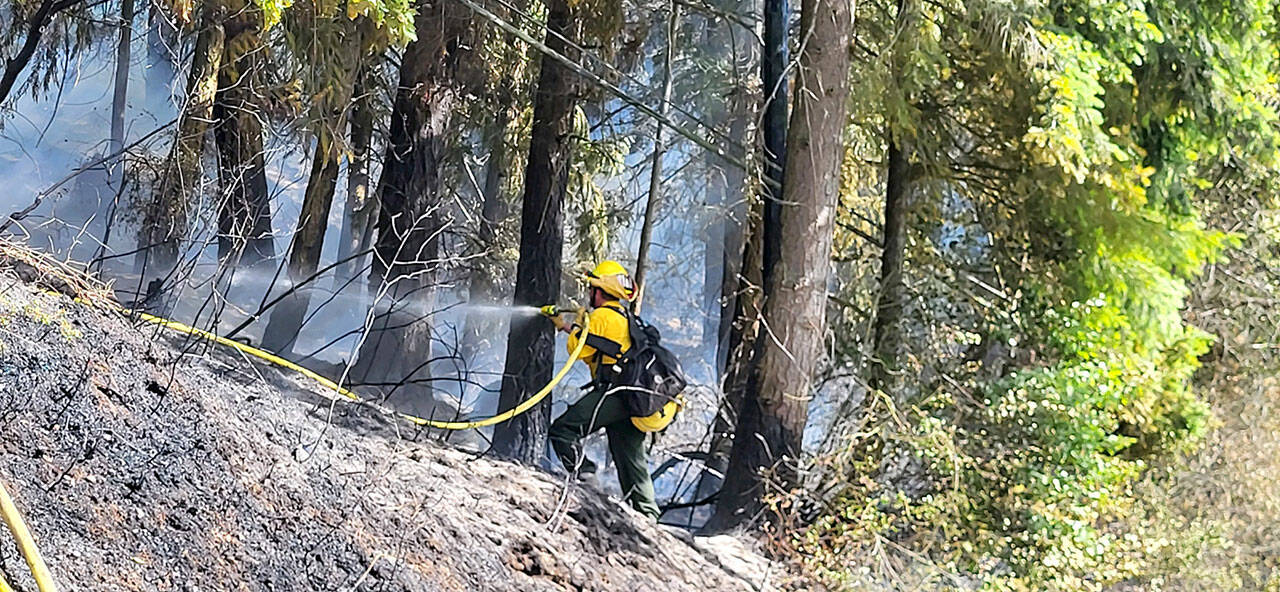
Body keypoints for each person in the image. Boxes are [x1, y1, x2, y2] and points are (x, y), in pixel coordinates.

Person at [545, 260, 661, 520]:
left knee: (563, 430)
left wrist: (578, 323)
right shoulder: (624, 316)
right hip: (633, 397)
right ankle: (648, 516)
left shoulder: (601, 317)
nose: (589, 294)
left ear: (599, 291)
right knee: (630, 456)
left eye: (592, 288)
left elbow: (579, 350)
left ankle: (586, 479)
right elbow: (599, 347)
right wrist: (566, 325)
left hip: (614, 394)